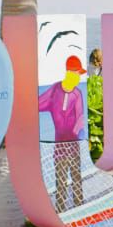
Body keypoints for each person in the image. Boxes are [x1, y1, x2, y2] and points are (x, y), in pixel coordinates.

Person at [38, 55, 87, 211]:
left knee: (76, 177)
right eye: (78, 74)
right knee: (61, 179)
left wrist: (78, 135)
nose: (79, 78)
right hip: (60, 146)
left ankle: (79, 207)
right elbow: (37, 104)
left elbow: (80, 118)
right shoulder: (54, 90)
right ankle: (60, 210)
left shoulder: (77, 94)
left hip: (73, 145)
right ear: (70, 74)